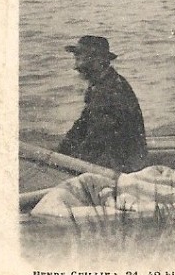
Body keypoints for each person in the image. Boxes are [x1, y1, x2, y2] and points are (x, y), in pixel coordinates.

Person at [57, 36, 149, 173]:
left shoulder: (109, 90)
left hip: (123, 166)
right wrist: (61, 151)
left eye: (80, 59)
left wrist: (67, 162)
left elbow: (97, 140)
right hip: (114, 158)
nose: (75, 66)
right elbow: (82, 124)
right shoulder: (102, 84)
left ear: (98, 60)